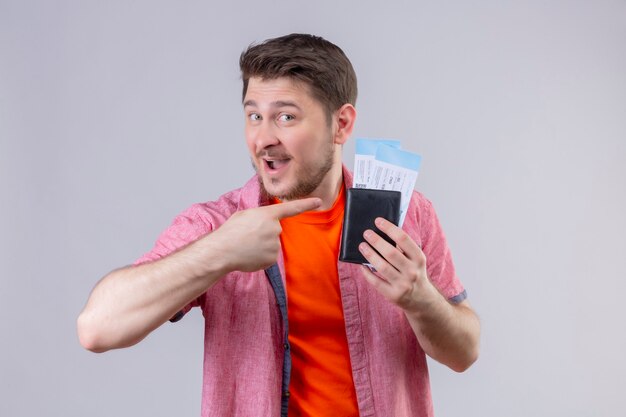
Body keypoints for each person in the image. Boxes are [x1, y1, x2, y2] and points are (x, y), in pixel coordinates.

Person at [77, 33, 480, 417]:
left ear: (341, 124)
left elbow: (465, 351)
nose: (263, 138)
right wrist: (219, 252)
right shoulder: (217, 225)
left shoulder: (409, 217)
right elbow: (97, 328)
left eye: (286, 117)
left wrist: (420, 297)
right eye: (254, 116)